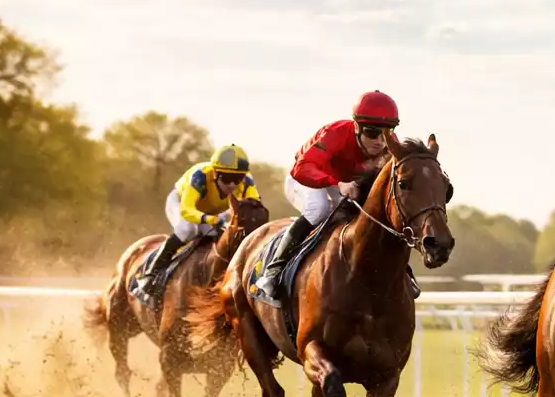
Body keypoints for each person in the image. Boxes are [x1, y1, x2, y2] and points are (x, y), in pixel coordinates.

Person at [254, 91, 399, 301]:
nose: (379, 142)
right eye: (372, 133)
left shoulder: (390, 145)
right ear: (356, 127)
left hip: (342, 183)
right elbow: (302, 168)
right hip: (306, 178)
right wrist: (337, 183)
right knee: (319, 208)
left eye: (386, 134)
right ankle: (273, 272)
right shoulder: (335, 133)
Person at [133, 144, 259, 299]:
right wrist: (208, 219)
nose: (232, 185)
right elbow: (187, 210)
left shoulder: (247, 181)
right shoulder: (201, 176)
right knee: (188, 229)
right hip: (181, 204)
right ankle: (150, 274)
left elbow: (254, 205)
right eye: (227, 179)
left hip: (215, 212)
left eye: (237, 179)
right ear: (215, 173)